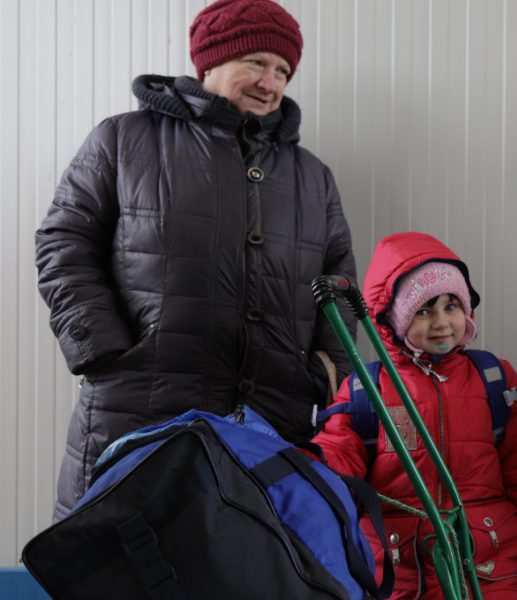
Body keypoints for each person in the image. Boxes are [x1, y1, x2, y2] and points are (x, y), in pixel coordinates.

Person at [34, 0, 357, 521]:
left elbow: (339, 284)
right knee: (122, 563)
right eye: (255, 62)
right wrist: (101, 347)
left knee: (249, 567)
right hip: (139, 404)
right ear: (209, 62)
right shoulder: (124, 139)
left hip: (269, 421)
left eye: (282, 71)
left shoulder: (310, 175)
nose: (270, 83)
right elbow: (63, 241)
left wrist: (326, 373)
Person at [311, 232, 517, 599]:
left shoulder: (495, 380)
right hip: (401, 569)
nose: (442, 322)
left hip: (488, 561)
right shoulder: (367, 389)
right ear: (392, 320)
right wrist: (310, 469)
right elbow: (337, 458)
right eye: (423, 310)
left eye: (451, 306)